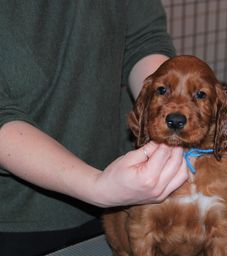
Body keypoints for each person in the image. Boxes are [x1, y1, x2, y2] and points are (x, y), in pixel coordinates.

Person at [0, 1, 188, 255]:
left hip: (119, 194)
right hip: (16, 220)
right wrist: (98, 186)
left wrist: (165, 111)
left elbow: (144, 39)